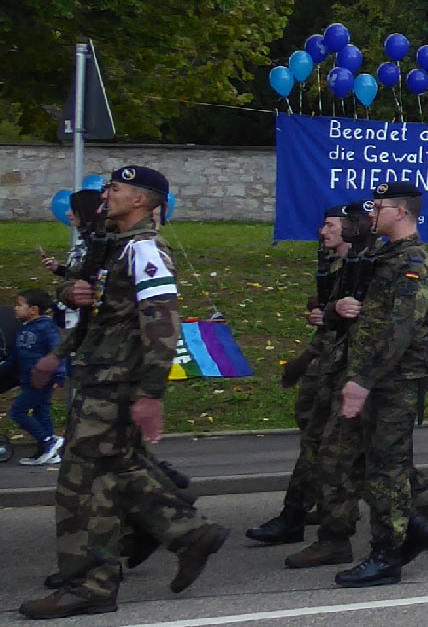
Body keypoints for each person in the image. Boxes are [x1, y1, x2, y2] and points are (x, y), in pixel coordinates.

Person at [20, 166, 228, 619]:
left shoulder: (146, 250)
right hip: (102, 378)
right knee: (109, 476)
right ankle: (182, 535)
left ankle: (94, 582)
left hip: (115, 384)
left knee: (83, 482)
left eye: (115, 189)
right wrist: (62, 346)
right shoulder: (117, 249)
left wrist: (151, 394)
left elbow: (162, 323)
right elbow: (104, 317)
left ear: (140, 201)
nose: (105, 195)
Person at [312, 182, 428, 587]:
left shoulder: (413, 263)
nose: (372, 213)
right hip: (366, 376)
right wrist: (337, 310)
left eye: (380, 206)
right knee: (355, 461)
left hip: (394, 382)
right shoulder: (379, 255)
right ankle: (412, 526)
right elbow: (354, 312)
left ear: (400, 212)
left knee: (385, 468)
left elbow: (401, 329)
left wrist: (364, 381)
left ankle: (387, 556)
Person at [246, 204, 353, 544]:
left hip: (345, 367)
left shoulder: (363, 267)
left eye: (330, 225)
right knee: (323, 440)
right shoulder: (333, 265)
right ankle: (323, 506)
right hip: (326, 361)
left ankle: (299, 517)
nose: (323, 232)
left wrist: (332, 316)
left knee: (331, 446)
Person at [5, 288, 65, 465]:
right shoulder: (23, 329)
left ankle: (50, 440)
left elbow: (57, 351)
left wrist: (59, 376)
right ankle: (47, 453)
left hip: (42, 379)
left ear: (34, 309)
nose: (16, 308)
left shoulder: (46, 327)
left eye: (19, 305)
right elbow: (15, 358)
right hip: (27, 379)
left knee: (18, 411)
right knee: (41, 413)